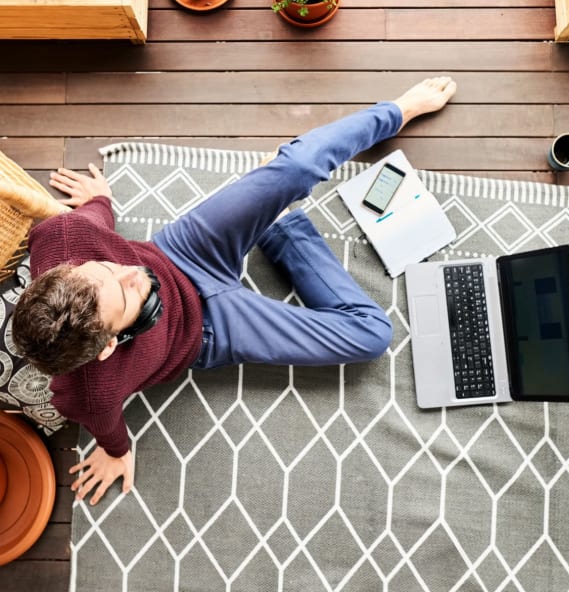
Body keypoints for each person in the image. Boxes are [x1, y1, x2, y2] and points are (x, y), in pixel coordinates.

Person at [13, 76, 457, 506]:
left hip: (182, 251)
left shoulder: (64, 238)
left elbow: (94, 223)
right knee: (372, 336)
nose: (131, 273)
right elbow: (106, 424)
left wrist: (100, 201)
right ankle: (283, 231)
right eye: (127, 297)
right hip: (208, 333)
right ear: (109, 345)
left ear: (73, 266)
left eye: (106, 268)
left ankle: (397, 111)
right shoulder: (88, 391)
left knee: (297, 167)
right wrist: (116, 452)